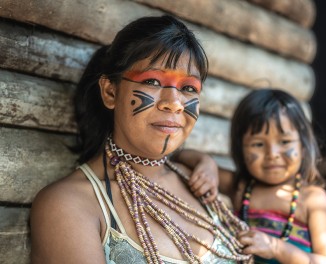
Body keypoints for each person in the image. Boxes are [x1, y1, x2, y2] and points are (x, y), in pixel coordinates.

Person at [29, 15, 251, 264]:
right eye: (152, 81)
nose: (174, 104)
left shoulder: (203, 183)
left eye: (188, 88)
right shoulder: (69, 206)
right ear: (110, 92)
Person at [178, 89, 326, 263]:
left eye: (285, 142)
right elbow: (180, 156)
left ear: (303, 145)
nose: (272, 154)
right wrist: (207, 164)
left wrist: (276, 248)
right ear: (241, 149)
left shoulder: (312, 199)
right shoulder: (240, 187)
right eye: (258, 144)